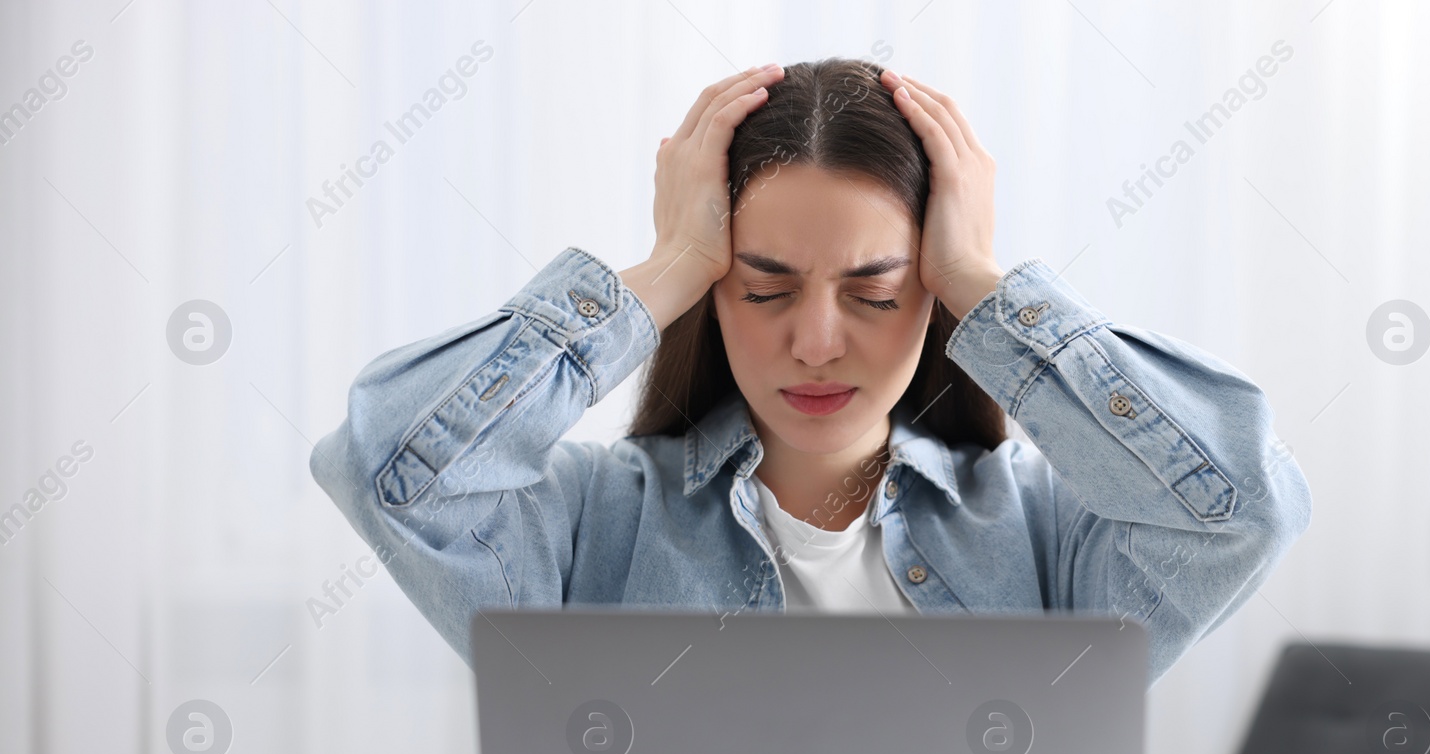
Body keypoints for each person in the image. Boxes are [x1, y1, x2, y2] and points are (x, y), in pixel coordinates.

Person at [311, 56, 1311, 692]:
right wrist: (660, 272)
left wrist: (982, 283)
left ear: (928, 295)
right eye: (763, 287)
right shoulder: (583, 522)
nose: (819, 341)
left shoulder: (1046, 531)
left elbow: (1243, 508)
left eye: (876, 291)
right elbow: (383, 465)